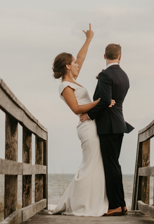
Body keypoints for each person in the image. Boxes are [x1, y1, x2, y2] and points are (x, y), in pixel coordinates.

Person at [51, 24, 116, 217]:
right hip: (86, 127)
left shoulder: (73, 78)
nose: (78, 64)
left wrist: (88, 39)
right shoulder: (64, 85)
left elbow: (81, 58)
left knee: (94, 164)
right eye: (74, 63)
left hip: (92, 124)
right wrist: (100, 102)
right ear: (68, 66)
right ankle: (82, 204)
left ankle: (88, 201)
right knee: (90, 165)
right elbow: (76, 109)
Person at [81, 42, 134, 216]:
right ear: (120, 57)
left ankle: (115, 206)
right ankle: (122, 204)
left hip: (108, 126)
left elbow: (104, 100)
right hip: (119, 124)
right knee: (114, 164)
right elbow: (110, 100)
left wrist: (88, 115)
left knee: (110, 166)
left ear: (104, 56)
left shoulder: (105, 75)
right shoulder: (124, 76)